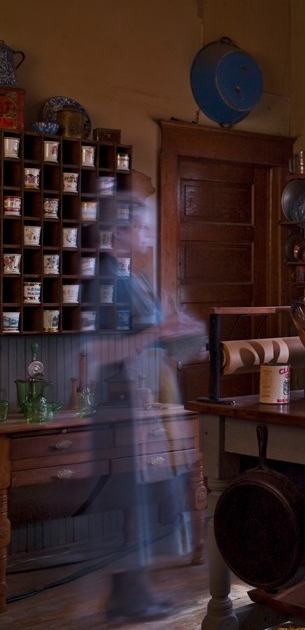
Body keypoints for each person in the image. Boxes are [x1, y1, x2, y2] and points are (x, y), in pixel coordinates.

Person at [85, 171, 206, 622]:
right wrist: (159, 332)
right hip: (120, 407)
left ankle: (130, 595)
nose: (148, 233)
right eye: (139, 226)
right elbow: (100, 349)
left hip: (146, 403)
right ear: (118, 231)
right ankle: (127, 598)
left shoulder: (133, 278)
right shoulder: (101, 280)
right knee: (130, 501)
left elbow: (153, 335)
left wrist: (187, 336)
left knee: (145, 501)